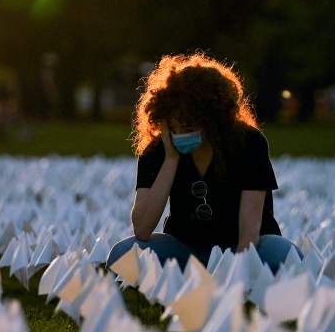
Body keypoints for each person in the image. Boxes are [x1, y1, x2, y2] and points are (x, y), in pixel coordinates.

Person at [106, 53, 301, 274]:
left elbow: (250, 231)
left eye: (189, 125)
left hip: (246, 249)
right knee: (122, 254)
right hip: (186, 249)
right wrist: (171, 160)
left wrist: (232, 273)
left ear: (213, 119)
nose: (180, 132)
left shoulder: (249, 143)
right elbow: (142, 228)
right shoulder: (158, 149)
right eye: (174, 123)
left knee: (283, 254)